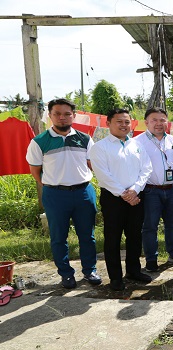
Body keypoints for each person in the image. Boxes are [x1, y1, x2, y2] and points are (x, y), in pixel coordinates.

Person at [25, 98, 101, 289]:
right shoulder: (39, 141)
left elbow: (93, 165)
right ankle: (66, 274)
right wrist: (53, 185)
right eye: (57, 114)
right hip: (55, 195)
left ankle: (90, 270)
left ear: (74, 116)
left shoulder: (85, 139)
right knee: (59, 237)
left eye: (67, 114)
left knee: (88, 235)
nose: (62, 118)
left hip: (84, 192)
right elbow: (35, 171)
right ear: (50, 116)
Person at [89, 108, 153, 291]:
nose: (124, 125)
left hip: (136, 196)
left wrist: (135, 190)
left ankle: (133, 271)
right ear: (108, 123)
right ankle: (115, 277)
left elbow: (146, 169)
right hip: (113, 198)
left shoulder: (136, 145)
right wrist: (124, 194)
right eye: (119, 121)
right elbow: (103, 175)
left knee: (134, 236)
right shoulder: (100, 147)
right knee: (113, 238)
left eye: (127, 122)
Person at [135, 107, 173, 272]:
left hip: (172, 189)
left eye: (162, 120)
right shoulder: (137, 142)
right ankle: (151, 259)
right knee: (149, 226)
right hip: (150, 190)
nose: (159, 124)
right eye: (154, 120)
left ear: (167, 122)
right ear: (146, 122)